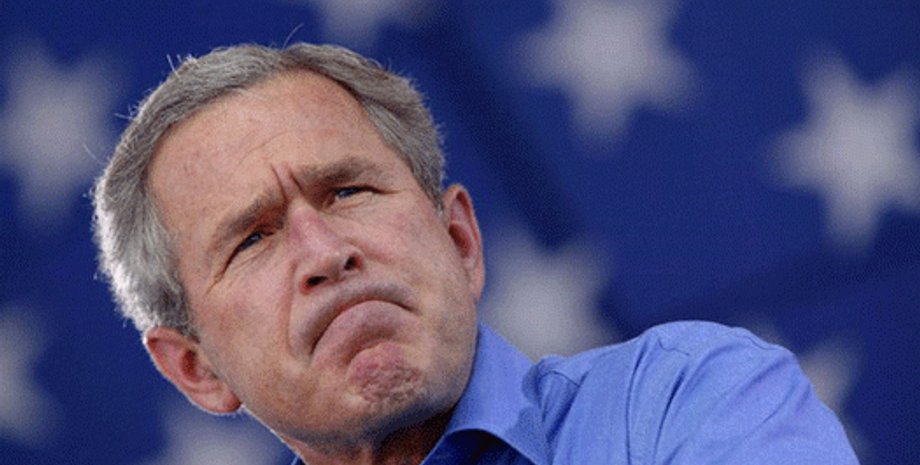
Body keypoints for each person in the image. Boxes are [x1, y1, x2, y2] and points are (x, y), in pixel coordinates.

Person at [92, 43, 858, 465]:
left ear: (460, 240)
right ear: (196, 367)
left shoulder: (687, 399)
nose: (325, 251)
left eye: (348, 191)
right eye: (253, 237)